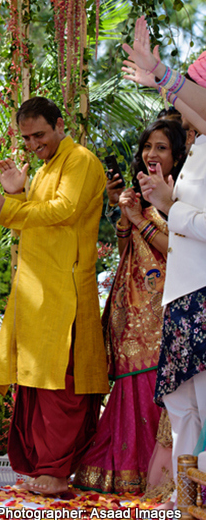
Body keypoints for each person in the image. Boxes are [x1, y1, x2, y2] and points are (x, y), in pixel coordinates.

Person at [0, 96, 109, 496]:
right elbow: (35, 223)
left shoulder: (79, 160)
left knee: (59, 383)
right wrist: (17, 193)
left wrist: (8, 210)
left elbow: (62, 211)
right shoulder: (46, 169)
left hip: (64, 288)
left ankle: (58, 470)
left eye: (40, 135)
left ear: (60, 124)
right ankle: (47, 466)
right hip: (37, 290)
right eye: (27, 137)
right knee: (35, 380)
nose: (33, 144)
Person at [74, 119, 186, 494]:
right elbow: (127, 251)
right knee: (129, 383)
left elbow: (181, 248)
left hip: (164, 305)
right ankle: (124, 469)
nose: (152, 155)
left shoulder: (181, 194)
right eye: (148, 147)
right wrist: (124, 215)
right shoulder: (143, 191)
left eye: (162, 148)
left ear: (178, 156)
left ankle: (156, 475)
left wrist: (142, 216)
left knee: (157, 384)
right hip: (129, 304)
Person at [124, 15, 206, 497]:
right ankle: (183, 505)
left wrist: (171, 209)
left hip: (203, 296)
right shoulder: (196, 154)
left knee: (202, 410)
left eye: (192, 90)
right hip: (182, 295)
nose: (179, 102)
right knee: (182, 412)